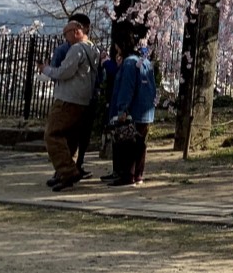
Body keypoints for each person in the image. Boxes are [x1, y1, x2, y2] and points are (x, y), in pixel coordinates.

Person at [40, 18, 100, 191]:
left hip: (68, 99)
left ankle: (67, 171)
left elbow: (64, 72)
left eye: (66, 34)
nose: (65, 38)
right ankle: (64, 172)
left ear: (76, 31)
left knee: (52, 134)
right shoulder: (93, 49)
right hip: (84, 100)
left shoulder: (77, 49)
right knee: (70, 136)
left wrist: (46, 69)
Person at [108, 35, 157, 186]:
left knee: (128, 142)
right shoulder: (145, 62)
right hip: (146, 110)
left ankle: (127, 176)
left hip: (133, 110)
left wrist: (122, 108)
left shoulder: (129, 63)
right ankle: (138, 175)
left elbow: (127, 88)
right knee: (140, 144)